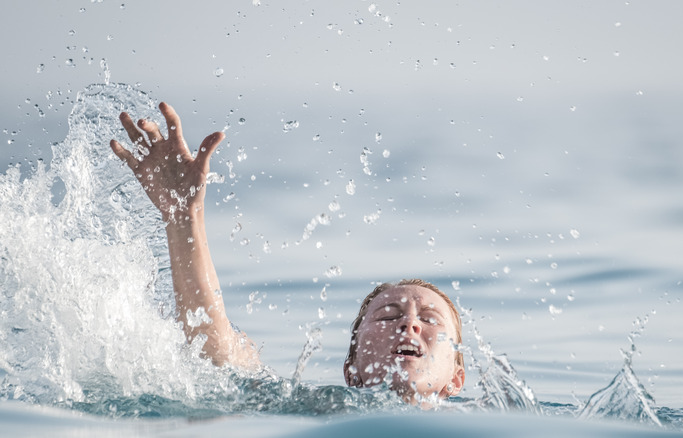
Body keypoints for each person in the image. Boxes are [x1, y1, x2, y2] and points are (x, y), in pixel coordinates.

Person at [109, 102, 465, 405]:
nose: (409, 323)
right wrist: (183, 218)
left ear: (456, 379)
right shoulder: (321, 410)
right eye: (387, 317)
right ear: (351, 371)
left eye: (431, 320)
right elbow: (218, 359)